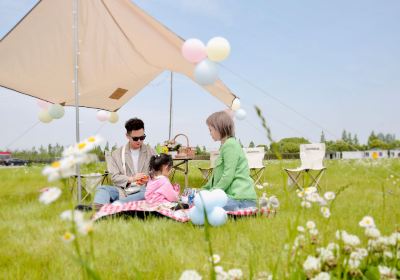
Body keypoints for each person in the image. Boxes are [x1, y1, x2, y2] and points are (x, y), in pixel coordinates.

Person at [87, 118, 155, 211]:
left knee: (148, 193)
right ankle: (97, 209)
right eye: (135, 138)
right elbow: (114, 177)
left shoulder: (151, 152)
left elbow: (159, 174)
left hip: (144, 190)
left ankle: (114, 207)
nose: (139, 141)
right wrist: (131, 179)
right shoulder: (116, 154)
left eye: (142, 137)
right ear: (127, 136)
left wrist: (148, 179)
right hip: (123, 191)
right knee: (102, 189)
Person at [202, 111, 257, 211]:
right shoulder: (225, 146)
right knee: (201, 200)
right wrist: (205, 189)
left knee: (205, 205)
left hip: (240, 200)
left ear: (219, 128)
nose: (209, 133)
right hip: (234, 198)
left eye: (210, 130)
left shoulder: (230, 145)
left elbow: (228, 175)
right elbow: (216, 175)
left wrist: (212, 193)